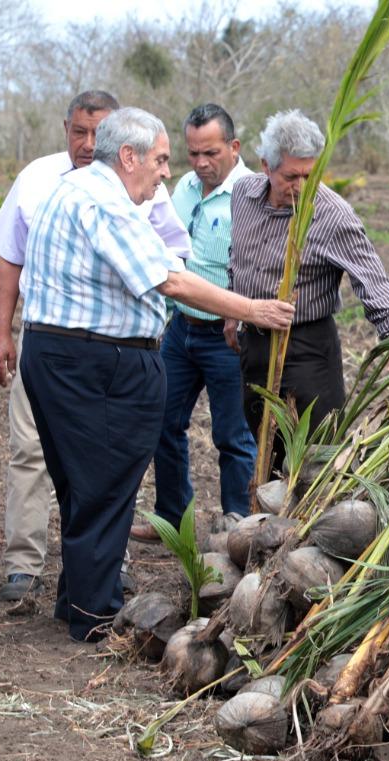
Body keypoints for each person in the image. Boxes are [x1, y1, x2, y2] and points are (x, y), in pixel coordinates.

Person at [20, 107, 294, 642]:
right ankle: (96, 616)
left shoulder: (72, 187)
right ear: (129, 156)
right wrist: (251, 309)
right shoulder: (105, 200)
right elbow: (168, 279)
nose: (168, 172)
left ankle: (76, 599)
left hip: (61, 354)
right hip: (95, 361)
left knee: (82, 484)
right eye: (162, 160)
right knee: (103, 485)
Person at [0, 91, 190, 602]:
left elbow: (174, 256)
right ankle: (26, 566)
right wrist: (3, 332)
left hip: (104, 342)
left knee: (98, 471)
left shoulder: (144, 190)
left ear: (118, 142)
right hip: (57, 340)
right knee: (39, 454)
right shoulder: (42, 179)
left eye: (98, 132)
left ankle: (94, 575)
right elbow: (10, 256)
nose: (88, 142)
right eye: (80, 131)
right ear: (66, 128)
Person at [227, 109, 389, 464]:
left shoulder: (332, 214)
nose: (300, 186)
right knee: (265, 449)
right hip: (254, 347)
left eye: (309, 175)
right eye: (290, 176)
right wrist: (233, 313)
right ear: (266, 167)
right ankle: (265, 518)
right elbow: (237, 257)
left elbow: (374, 281)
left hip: (306, 352)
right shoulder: (243, 194)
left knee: (314, 458)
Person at [130, 104, 255, 543]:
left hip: (227, 335)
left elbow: (260, 260)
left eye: (211, 153)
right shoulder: (181, 186)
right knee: (162, 421)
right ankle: (173, 524)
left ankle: (236, 530)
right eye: (193, 153)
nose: (201, 163)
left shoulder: (252, 193)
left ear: (234, 147)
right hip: (181, 328)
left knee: (232, 434)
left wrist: (239, 312)